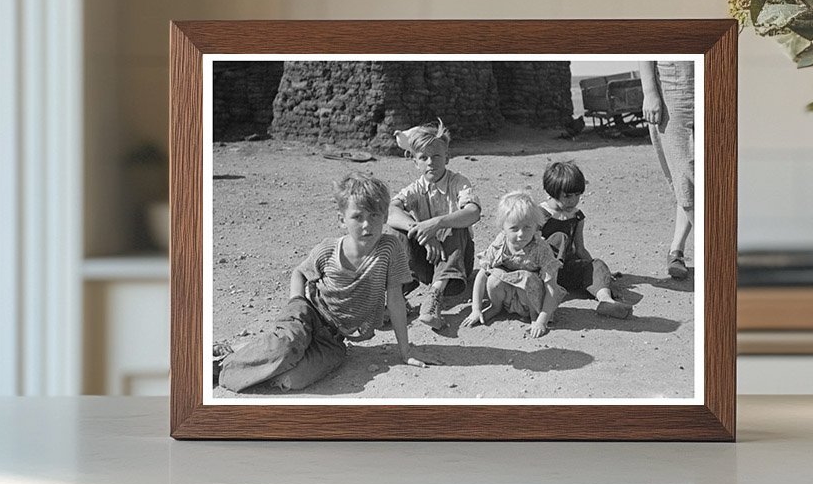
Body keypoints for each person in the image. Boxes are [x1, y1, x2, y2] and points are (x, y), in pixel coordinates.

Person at [218, 172, 436, 393]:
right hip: (309, 316)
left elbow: (396, 299)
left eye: (374, 215)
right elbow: (299, 273)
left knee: (292, 379)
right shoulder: (329, 249)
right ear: (342, 220)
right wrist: (297, 303)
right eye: (358, 217)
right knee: (288, 343)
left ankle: (252, 354)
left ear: (385, 215)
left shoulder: (390, 249)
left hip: (334, 339)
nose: (367, 224)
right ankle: (220, 365)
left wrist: (405, 351)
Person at [388, 118, 481, 330]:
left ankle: (435, 297)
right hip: (428, 259)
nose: (431, 162)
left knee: (454, 225)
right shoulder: (415, 188)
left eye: (437, 156)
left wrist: (436, 224)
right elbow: (391, 213)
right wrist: (423, 232)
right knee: (398, 230)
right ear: (415, 162)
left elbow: (473, 212)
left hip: (456, 260)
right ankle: (397, 295)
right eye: (424, 158)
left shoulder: (458, 182)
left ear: (447, 158)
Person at [462, 190, 563, 339]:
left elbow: (552, 289)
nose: (521, 234)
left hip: (531, 298)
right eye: (514, 228)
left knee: (526, 277)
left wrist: (542, 320)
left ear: (536, 226)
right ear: (503, 227)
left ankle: (533, 316)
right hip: (508, 296)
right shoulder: (501, 242)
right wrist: (475, 309)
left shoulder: (541, 249)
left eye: (527, 227)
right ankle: (496, 307)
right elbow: (482, 274)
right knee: (494, 276)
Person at [539, 160, 632, 318]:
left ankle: (606, 301)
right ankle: (548, 294)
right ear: (553, 191)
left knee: (597, 264)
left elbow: (580, 248)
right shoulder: (540, 214)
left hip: (566, 269)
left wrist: (599, 272)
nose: (573, 201)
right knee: (559, 238)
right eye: (567, 196)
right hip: (543, 271)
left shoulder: (577, 216)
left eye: (577, 195)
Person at [639, 60, 694, 280]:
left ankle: (675, 250)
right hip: (675, 90)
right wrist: (650, 91)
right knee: (687, 174)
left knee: (703, 177)